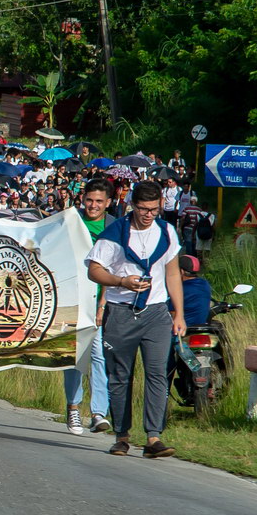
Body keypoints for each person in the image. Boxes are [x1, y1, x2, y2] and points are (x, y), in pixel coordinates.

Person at [85, 180, 185, 458]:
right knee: (120, 375)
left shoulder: (166, 232)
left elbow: (173, 272)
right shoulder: (115, 233)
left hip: (156, 312)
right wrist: (120, 281)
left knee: (156, 374)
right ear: (132, 205)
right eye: (143, 209)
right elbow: (94, 271)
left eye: (154, 209)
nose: (148, 214)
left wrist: (179, 313)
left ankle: (153, 437)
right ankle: (122, 436)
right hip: (121, 311)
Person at [63, 178, 114, 435]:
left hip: (97, 300)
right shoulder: (70, 220)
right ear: (82, 199)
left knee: (97, 355)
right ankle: (73, 408)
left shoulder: (112, 227)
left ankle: (98, 413)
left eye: (99, 201)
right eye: (89, 200)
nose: (93, 205)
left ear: (108, 202)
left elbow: (111, 267)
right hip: (71, 298)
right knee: (74, 355)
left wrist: (103, 305)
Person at [174, 255, 212, 327]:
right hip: (201, 325)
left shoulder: (180, 288)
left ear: (181, 271)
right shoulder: (205, 284)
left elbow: (172, 313)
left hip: (183, 328)